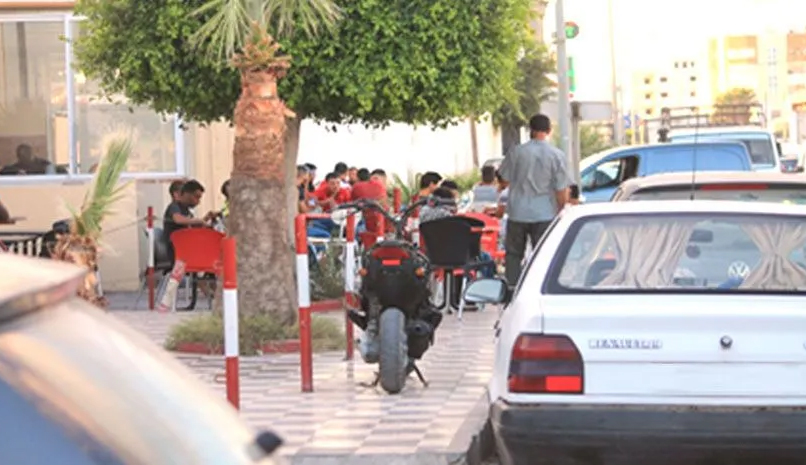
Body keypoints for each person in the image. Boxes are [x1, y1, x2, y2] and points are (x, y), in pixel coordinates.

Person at [499, 113, 571, 286]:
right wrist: (562, 210)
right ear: (549, 130)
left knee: (514, 254)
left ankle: (512, 288)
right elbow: (561, 189)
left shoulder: (516, 152)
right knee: (543, 254)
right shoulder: (557, 155)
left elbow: (504, 180)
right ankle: (538, 286)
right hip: (545, 213)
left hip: (517, 212)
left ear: (530, 129)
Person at [162, 180, 216, 255]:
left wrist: (206, 218)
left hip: (185, 245)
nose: (198, 202)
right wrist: (199, 221)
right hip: (176, 249)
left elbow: (193, 225)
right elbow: (178, 219)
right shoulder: (174, 206)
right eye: (196, 197)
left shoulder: (186, 210)